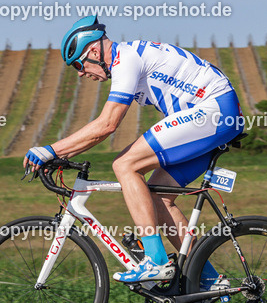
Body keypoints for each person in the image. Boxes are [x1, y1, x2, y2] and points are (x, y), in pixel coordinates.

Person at [24, 16, 244, 283]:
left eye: (79, 65)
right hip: (215, 114)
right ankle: (207, 279)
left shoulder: (125, 60)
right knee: (158, 198)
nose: (81, 74)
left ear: (93, 51)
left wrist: (51, 150)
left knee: (125, 164)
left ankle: (156, 260)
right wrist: (61, 153)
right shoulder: (128, 58)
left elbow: (107, 125)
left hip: (213, 111)